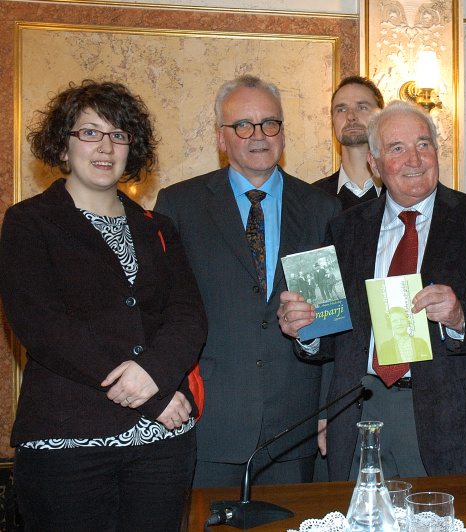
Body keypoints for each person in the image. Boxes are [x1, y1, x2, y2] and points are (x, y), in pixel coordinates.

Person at [0, 80, 207, 531]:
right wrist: (150, 396)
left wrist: (154, 375)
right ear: (63, 144)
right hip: (68, 443)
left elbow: (188, 316)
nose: (105, 147)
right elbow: (43, 327)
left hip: (163, 448)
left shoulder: (159, 226)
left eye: (119, 135)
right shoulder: (28, 222)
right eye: (90, 132)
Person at [279, 100, 466, 481]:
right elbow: (333, 340)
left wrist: (461, 318)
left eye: (424, 145)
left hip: (450, 422)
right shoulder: (345, 229)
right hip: (361, 412)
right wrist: (304, 330)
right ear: (375, 165)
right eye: (397, 148)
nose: (415, 159)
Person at [154, 75, 340, 488]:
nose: (258, 136)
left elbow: (331, 321)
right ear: (222, 139)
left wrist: (329, 409)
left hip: (296, 425)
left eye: (269, 123)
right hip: (208, 422)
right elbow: (161, 313)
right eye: (243, 125)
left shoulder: (321, 208)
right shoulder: (179, 205)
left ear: (283, 134)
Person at [313, 76, 386, 210]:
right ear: (333, 122)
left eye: (362, 107)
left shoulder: (402, 192)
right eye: (341, 109)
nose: (351, 116)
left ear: (381, 118)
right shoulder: (312, 198)